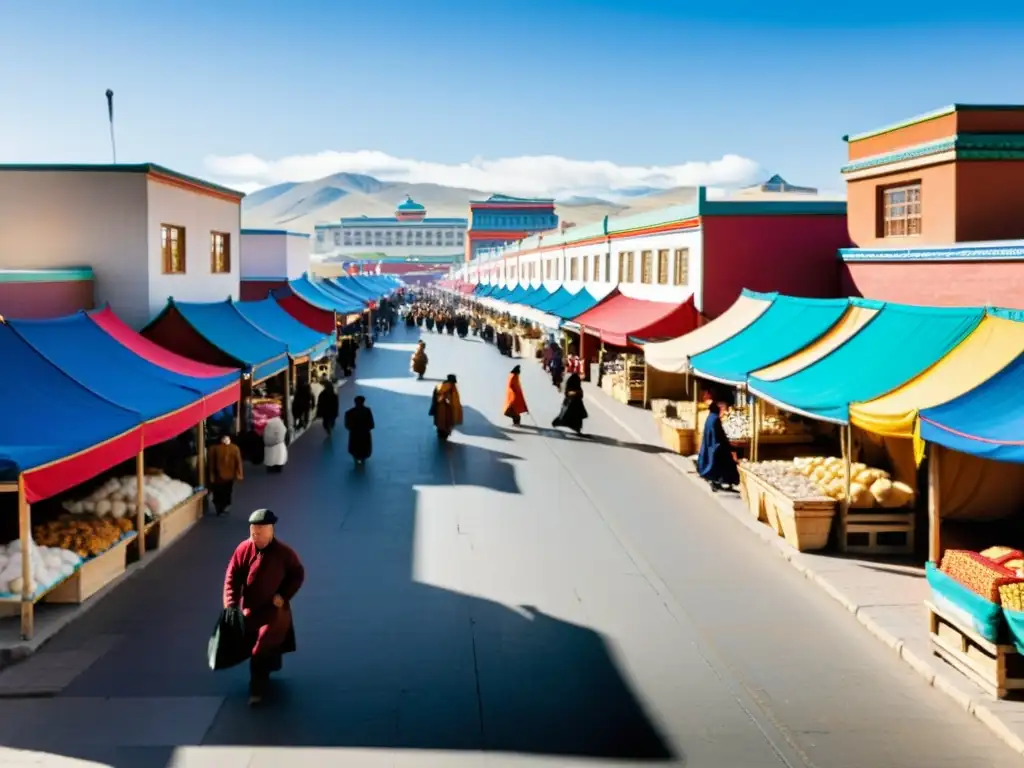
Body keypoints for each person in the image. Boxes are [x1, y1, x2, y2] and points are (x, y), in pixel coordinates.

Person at [223, 509, 305, 706]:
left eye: (260, 530)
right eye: (253, 529)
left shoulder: (284, 553)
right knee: (259, 647)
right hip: (250, 610)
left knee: (261, 647)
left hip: (274, 612)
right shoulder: (243, 549)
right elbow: (232, 579)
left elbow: (297, 574)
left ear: (271, 531)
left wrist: (283, 596)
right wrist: (231, 606)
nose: (255, 534)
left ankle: (256, 689)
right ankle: (265, 671)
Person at [696, 402, 740, 492]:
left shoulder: (710, 418)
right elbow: (719, 434)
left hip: (711, 446)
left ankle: (716, 481)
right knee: (727, 463)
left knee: (715, 465)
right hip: (717, 446)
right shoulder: (715, 419)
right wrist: (728, 445)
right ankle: (725, 481)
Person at [207, 434, 244, 516]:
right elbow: (238, 463)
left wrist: (211, 476)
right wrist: (239, 474)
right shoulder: (234, 448)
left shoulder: (214, 448)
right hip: (229, 476)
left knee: (218, 492)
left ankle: (219, 508)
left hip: (218, 476)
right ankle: (224, 507)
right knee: (227, 491)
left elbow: (211, 464)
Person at [430, 374, 463, 441]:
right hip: (443, 407)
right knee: (444, 420)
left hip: (442, 407)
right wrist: (447, 401)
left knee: (442, 420)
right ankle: (443, 433)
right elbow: (442, 396)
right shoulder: (448, 386)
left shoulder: (443, 385)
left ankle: (442, 432)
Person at [344, 395, 375, 465]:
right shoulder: (367, 411)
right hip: (364, 433)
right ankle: (362, 460)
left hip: (355, 433)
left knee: (355, 448)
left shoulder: (350, 412)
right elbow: (371, 423)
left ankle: (356, 460)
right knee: (363, 448)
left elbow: (347, 424)